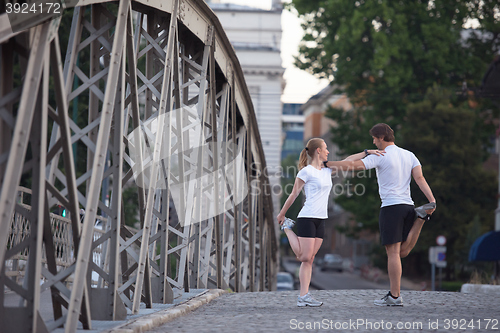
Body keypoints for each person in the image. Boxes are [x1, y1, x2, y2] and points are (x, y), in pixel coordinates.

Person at [325, 123, 436, 306]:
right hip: (408, 206)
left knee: (392, 253)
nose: (374, 142)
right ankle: (421, 219)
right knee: (403, 251)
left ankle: (394, 296)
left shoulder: (380, 155)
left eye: (375, 139)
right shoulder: (410, 155)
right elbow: (419, 178)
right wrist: (431, 199)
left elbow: (352, 166)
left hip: (391, 207)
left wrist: (328, 164)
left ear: (382, 138)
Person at [277, 138, 384, 307]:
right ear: (318, 151)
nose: (328, 151)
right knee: (304, 256)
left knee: (310, 259)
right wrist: (282, 214)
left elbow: (347, 161)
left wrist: (366, 152)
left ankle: (303, 296)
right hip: (307, 217)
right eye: (326, 148)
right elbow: (293, 194)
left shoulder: (327, 170)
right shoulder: (306, 172)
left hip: (322, 219)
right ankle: (288, 228)